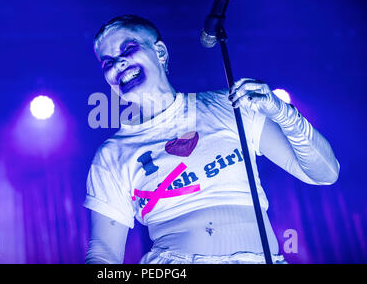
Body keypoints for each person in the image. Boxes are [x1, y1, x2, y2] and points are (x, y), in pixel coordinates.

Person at [83, 15, 340, 264]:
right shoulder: (112, 154)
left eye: (128, 48)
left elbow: (325, 173)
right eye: (107, 62)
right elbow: (104, 252)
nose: (118, 64)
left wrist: (283, 113)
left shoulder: (229, 105)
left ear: (160, 52)